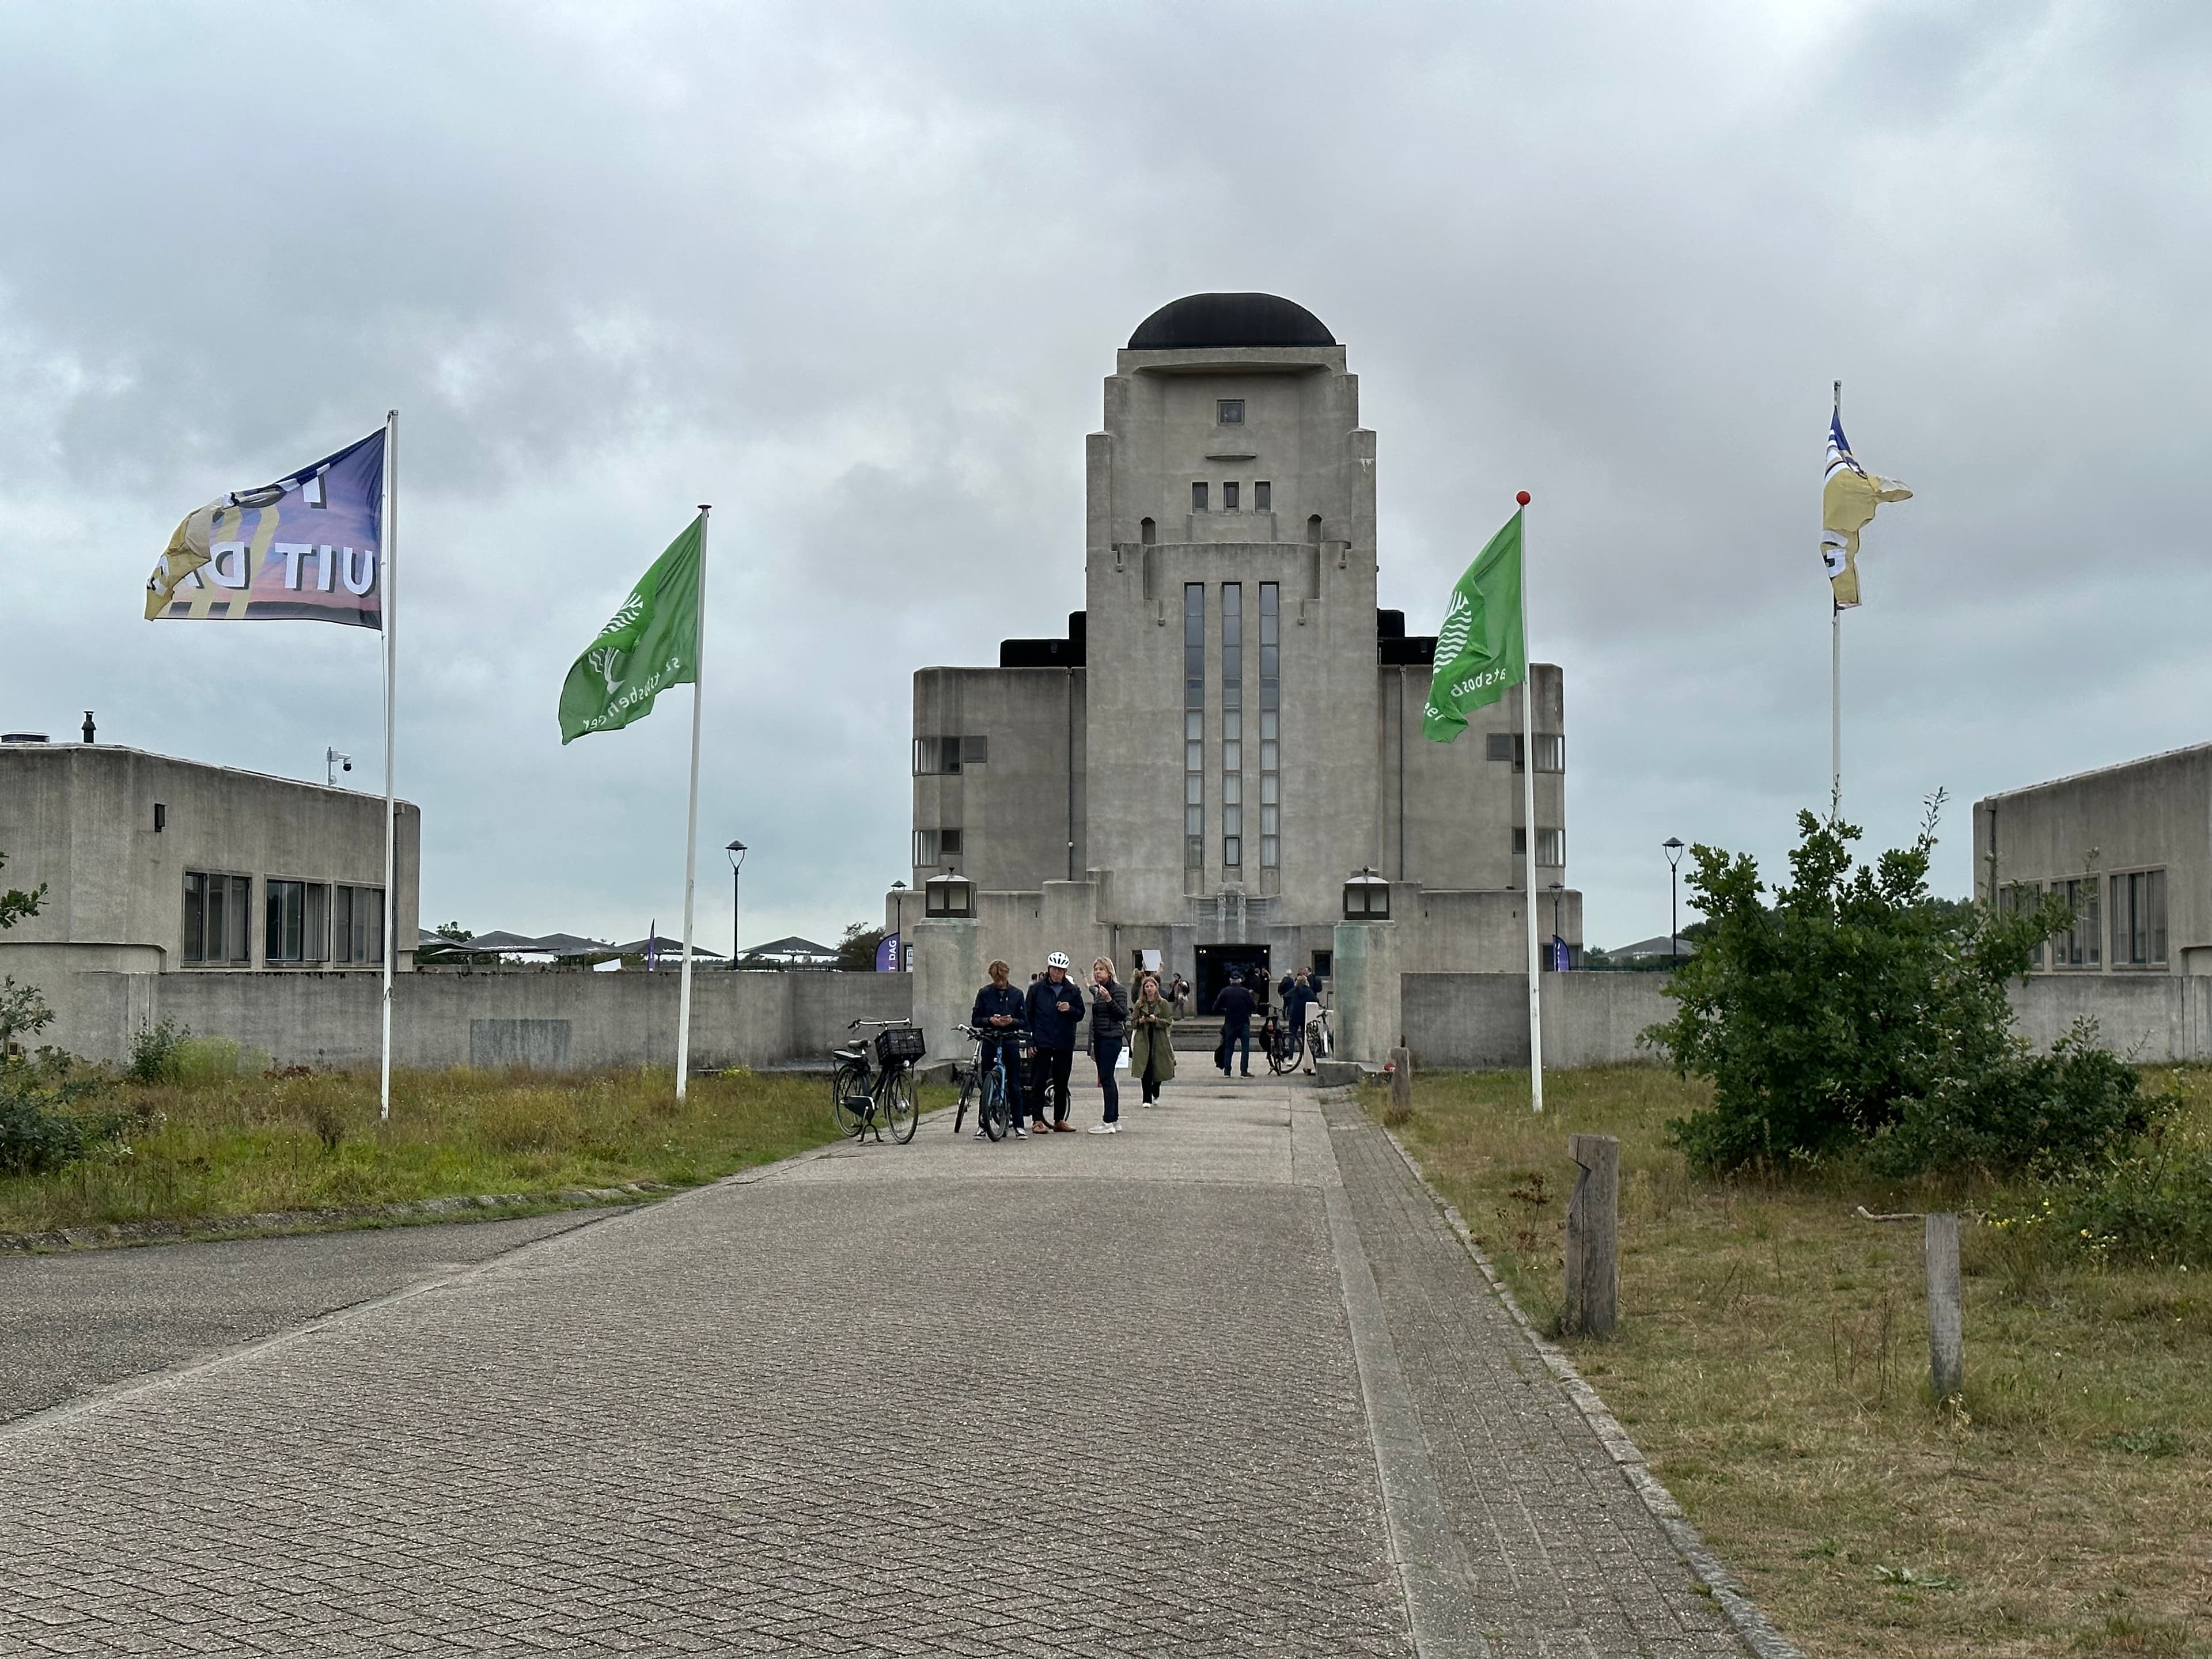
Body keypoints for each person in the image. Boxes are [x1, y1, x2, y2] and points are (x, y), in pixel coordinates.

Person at [1024, 950, 1085, 1132]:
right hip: (1042, 1042)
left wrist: (1070, 1009)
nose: (1057, 973)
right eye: (1054, 969)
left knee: (1061, 1081)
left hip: (1064, 1042)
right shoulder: (1036, 989)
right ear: (1049, 969)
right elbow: (1028, 1015)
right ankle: (1037, 1120)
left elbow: (1080, 1014)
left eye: (1060, 970)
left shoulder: (1072, 991)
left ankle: (1059, 1119)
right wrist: (1030, 1041)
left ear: (1065, 972)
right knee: (1039, 1081)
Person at [969, 959, 1029, 1141]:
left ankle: (1019, 1125)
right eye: (997, 981)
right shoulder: (985, 994)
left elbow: (1024, 1021)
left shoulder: (1017, 994)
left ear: (1007, 976)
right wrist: (990, 1021)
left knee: (1014, 1085)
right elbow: (976, 1019)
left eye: (1002, 980)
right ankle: (982, 1124)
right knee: (987, 1082)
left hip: (1010, 1040)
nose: (1000, 983)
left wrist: (1011, 1022)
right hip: (991, 1040)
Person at [1084, 956, 1130, 1134]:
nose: (1097, 973)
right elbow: (1094, 1022)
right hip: (1101, 1039)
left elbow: (1122, 1015)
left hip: (1112, 1038)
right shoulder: (1097, 992)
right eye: (1095, 970)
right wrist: (1092, 1046)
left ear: (1109, 972)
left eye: (1101, 970)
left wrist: (1109, 999)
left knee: (1107, 1079)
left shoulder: (1118, 990)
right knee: (1108, 1079)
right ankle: (1115, 1120)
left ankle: (1108, 1121)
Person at [1129, 972, 1176, 1105]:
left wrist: (1156, 1020)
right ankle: (1146, 1099)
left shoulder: (1163, 1004)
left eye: (1151, 986)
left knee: (1159, 1067)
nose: (1149, 989)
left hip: (1159, 1039)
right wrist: (1141, 1021)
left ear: (1156, 988)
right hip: (1143, 1039)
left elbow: (1168, 1021)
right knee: (1145, 1067)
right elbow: (1133, 1022)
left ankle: (1156, 1089)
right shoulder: (1139, 1004)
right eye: (1147, 986)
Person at [1214, 971, 1256, 1077]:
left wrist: (1225, 1009)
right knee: (1245, 1048)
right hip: (1244, 1022)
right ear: (1240, 980)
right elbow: (1253, 1007)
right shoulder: (1245, 992)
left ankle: (1227, 1071)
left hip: (1230, 1022)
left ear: (1230, 980)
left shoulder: (1225, 991)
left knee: (1229, 1047)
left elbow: (1215, 1007)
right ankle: (1244, 1071)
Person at [1279, 967, 1315, 1066]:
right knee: (1305, 1037)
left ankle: (1290, 1059)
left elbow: (1286, 995)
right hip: (1305, 1017)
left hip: (1294, 1016)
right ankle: (1306, 1058)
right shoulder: (1309, 991)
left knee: (1292, 1037)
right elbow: (1316, 1001)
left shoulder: (1294, 990)